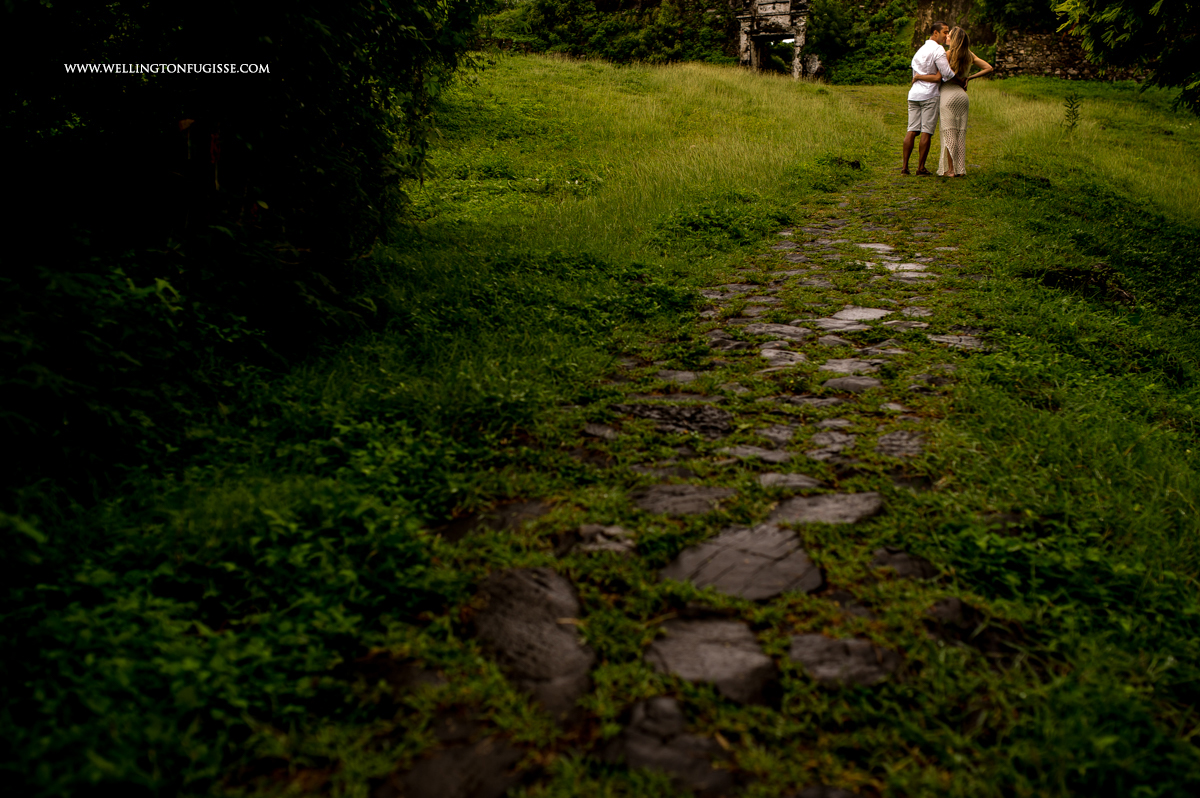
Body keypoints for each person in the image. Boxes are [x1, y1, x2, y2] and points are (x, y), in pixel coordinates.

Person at [912, 26, 994, 177]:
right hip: (962, 97)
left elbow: (938, 77)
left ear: (954, 39)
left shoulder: (947, 55)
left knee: (949, 133)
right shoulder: (969, 55)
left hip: (947, 96)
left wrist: (918, 77)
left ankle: (950, 169)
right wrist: (969, 78)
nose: (946, 37)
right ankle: (960, 169)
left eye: (949, 36)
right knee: (960, 134)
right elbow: (989, 68)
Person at [902, 22, 954, 176]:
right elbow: (946, 73)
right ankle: (920, 168)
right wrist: (960, 79)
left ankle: (904, 167)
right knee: (926, 131)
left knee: (911, 130)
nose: (946, 35)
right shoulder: (938, 50)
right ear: (935, 33)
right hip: (930, 95)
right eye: (945, 32)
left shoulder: (920, 50)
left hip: (914, 94)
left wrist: (919, 77)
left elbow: (915, 73)